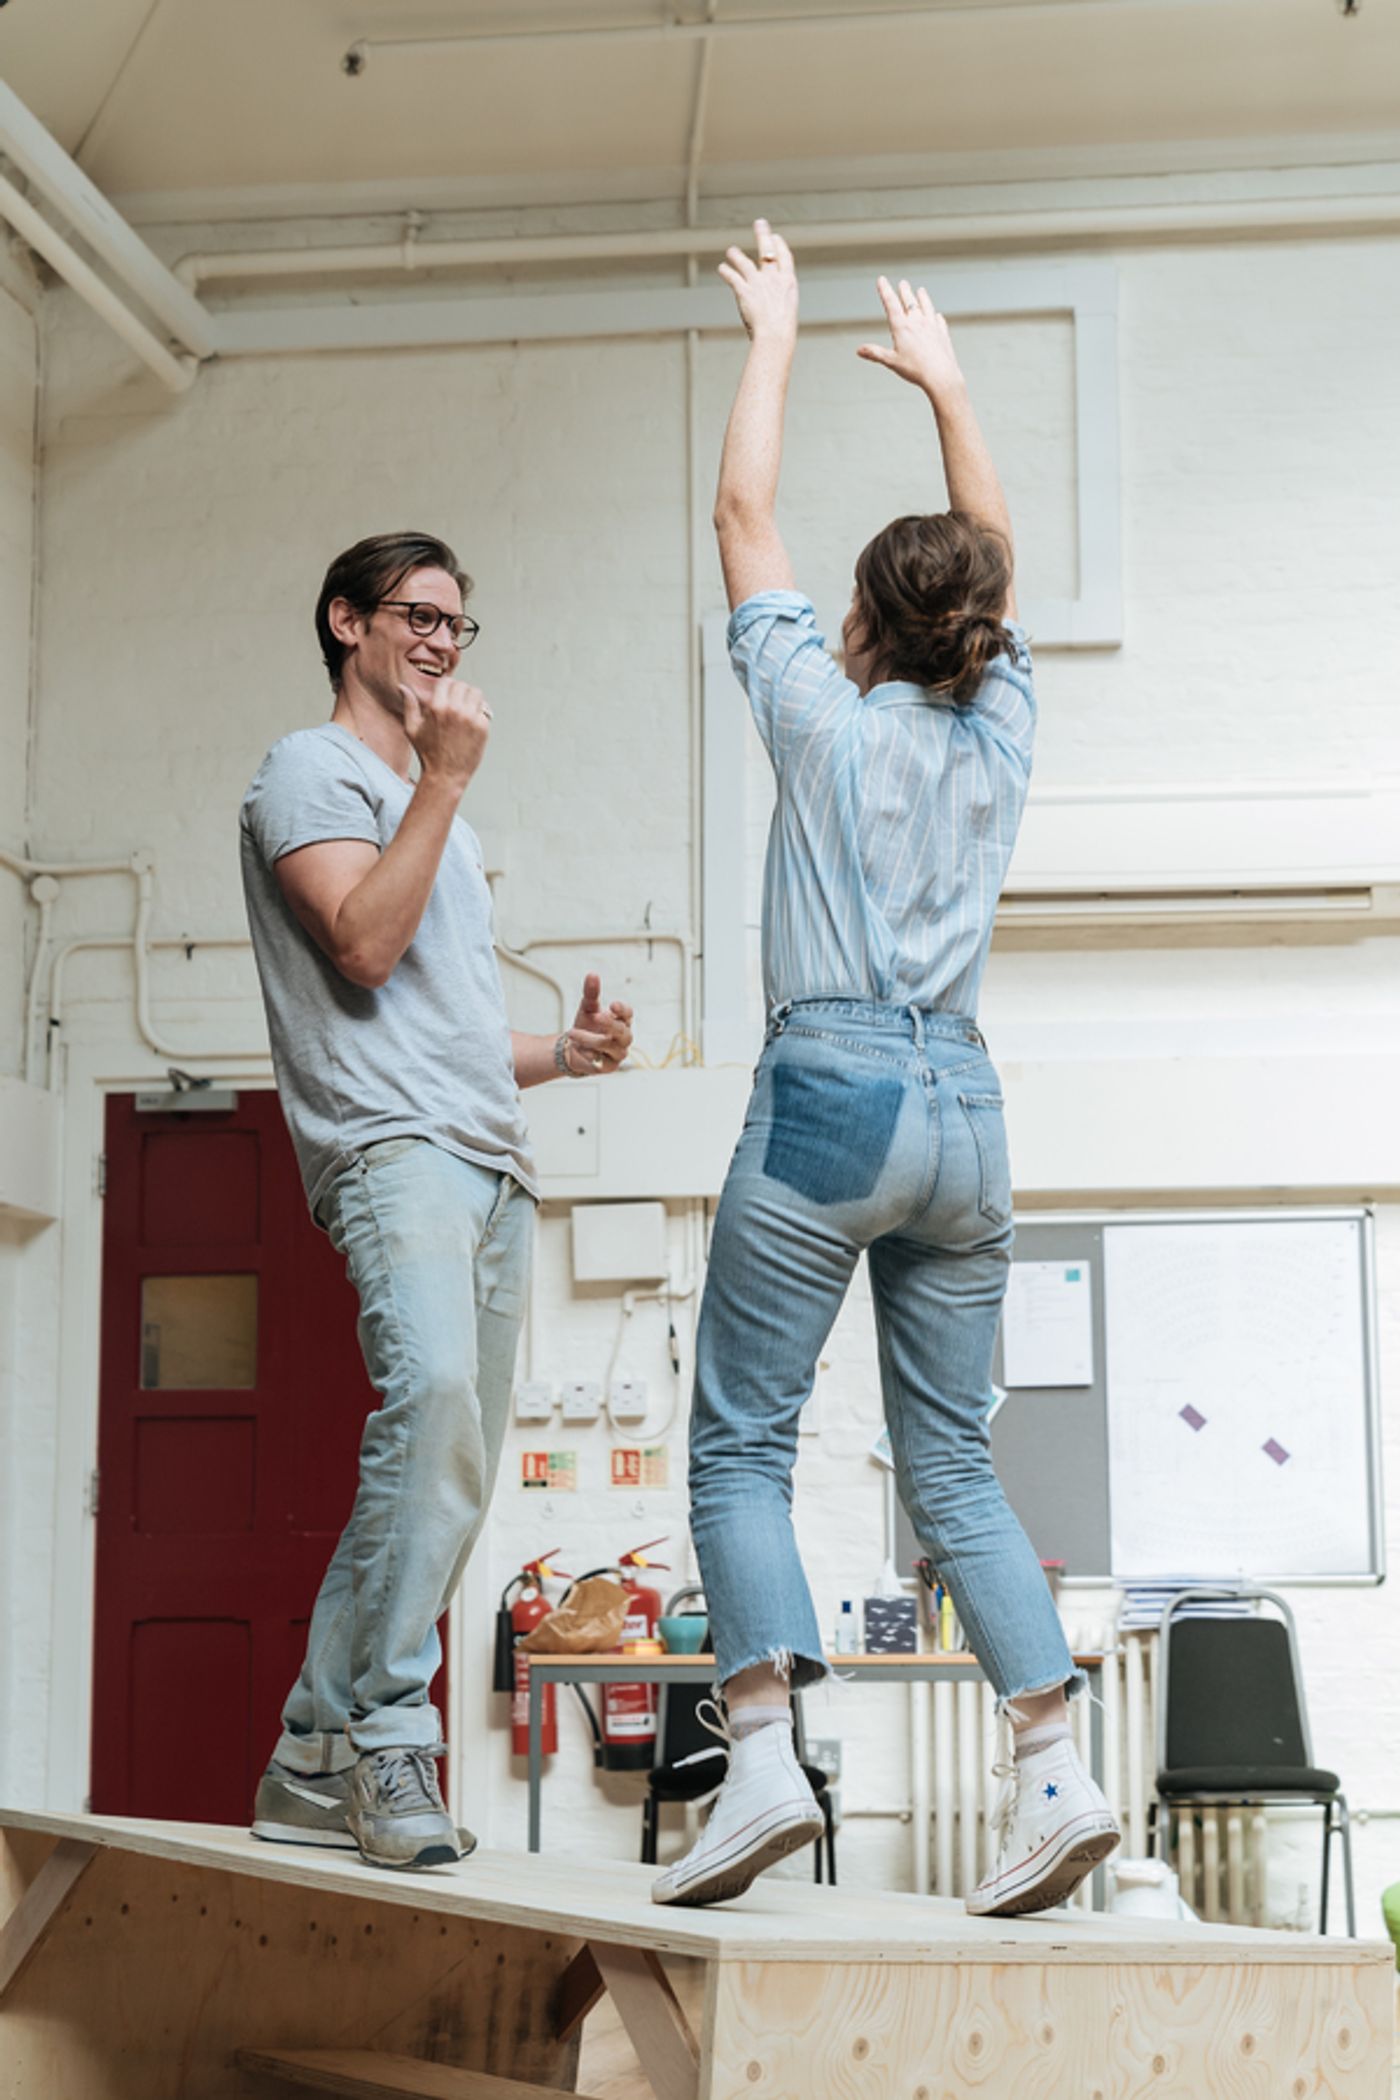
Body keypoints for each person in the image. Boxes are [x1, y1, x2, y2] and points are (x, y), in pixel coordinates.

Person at [652, 225, 1119, 1915]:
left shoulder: (820, 718)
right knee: (954, 1465)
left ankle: (763, 1756)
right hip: (971, 1114)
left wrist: (773, 332)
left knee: (739, 1446)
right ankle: (1053, 1775)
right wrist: (952, 385)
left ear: (859, 619)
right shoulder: (1003, 733)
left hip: (834, 1091)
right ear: (977, 630)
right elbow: (989, 566)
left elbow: (739, 520)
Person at [239, 531, 633, 1870]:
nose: (440, 642)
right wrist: (445, 785)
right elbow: (360, 943)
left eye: (459, 626)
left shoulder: (432, 824)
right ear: (345, 621)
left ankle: (307, 1754)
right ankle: (391, 1736)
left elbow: (449, 1022)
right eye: (416, 616)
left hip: (488, 1151)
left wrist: (559, 1055)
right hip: (389, 1147)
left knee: (450, 1469)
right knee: (434, 1416)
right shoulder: (314, 771)